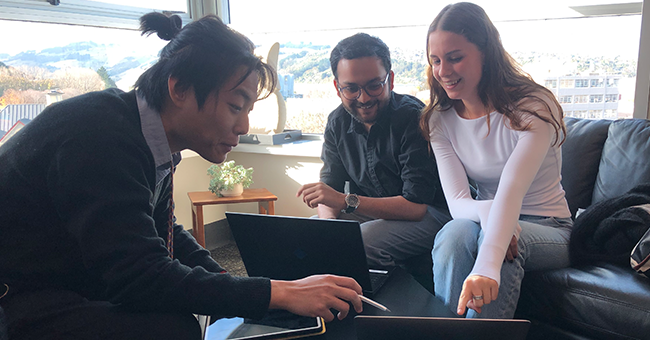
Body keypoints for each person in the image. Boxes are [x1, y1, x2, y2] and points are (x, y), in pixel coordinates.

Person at [0, 13, 363, 340]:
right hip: (18, 292)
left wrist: (237, 286)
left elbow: (164, 233)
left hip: (70, 270)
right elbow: (140, 276)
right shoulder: (100, 137)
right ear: (179, 89)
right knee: (172, 329)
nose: (243, 125)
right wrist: (276, 292)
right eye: (236, 106)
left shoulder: (148, 138)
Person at [421, 2, 573, 319]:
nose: (442, 71)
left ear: (486, 53)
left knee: (505, 245)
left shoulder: (533, 106)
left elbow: (511, 190)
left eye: (455, 58)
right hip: (484, 219)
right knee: (453, 234)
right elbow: (459, 203)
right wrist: (490, 214)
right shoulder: (439, 119)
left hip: (549, 226)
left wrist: (488, 263)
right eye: (436, 60)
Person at [297, 33, 450, 271]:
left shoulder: (413, 118)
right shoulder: (337, 122)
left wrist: (345, 201)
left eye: (373, 85)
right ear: (338, 88)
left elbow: (415, 206)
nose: (364, 98)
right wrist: (328, 226)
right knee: (310, 232)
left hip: (432, 212)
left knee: (362, 241)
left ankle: (390, 302)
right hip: (370, 212)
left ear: (390, 80)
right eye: (351, 89)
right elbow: (330, 190)